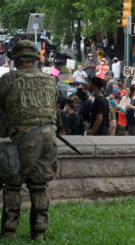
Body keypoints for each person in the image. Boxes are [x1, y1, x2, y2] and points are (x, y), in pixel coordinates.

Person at [0, 40, 59, 241]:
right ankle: (39, 234)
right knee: (40, 186)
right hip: (49, 139)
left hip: (23, 141)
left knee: (13, 185)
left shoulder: (8, 80)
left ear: (15, 59)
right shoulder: (51, 81)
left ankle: (9, 232)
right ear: (35, 59)